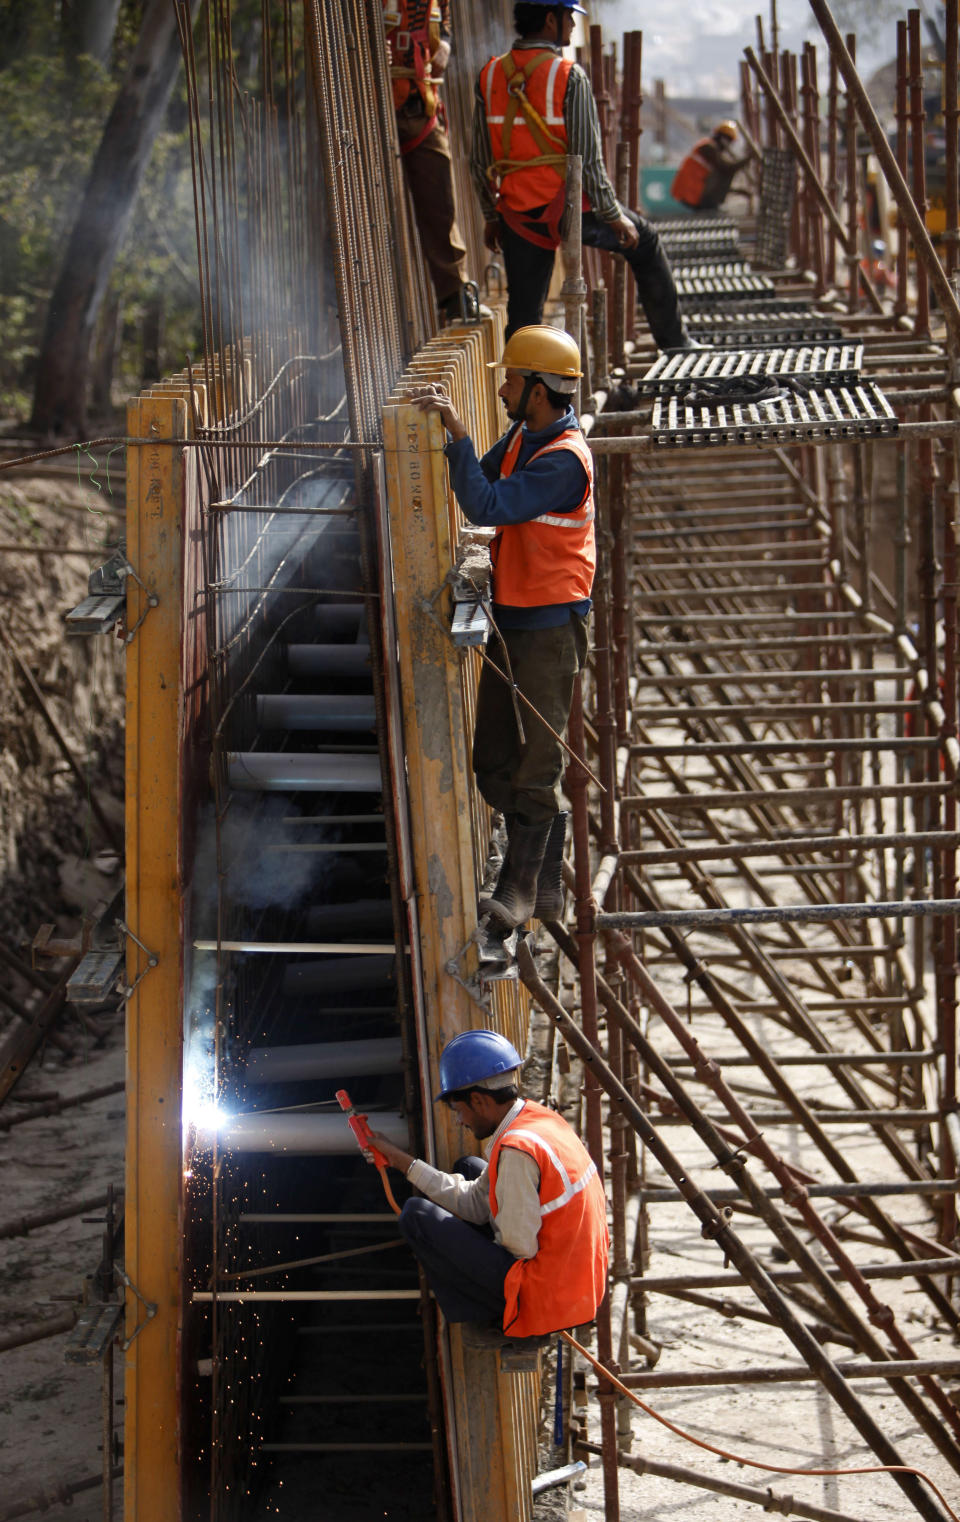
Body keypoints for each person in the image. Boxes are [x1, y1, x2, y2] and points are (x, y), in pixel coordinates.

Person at [412, 324, 593, 931]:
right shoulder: (525, 434)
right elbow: (485, 479)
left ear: (539, 390)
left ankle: (520, 890)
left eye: (511, 379)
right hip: (512, 616)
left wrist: (458, 431)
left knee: (536, 766)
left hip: (548, 628)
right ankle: (544, 880)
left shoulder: (565, 463)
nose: (502, 389)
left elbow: (487, 505)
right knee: (492, 759)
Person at [470, 0, 694, 348]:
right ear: (550, 19)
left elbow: (478, 160)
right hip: (568, 211)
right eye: (569, 17)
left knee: (524, 319)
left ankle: (520, 399)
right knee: (645, 242)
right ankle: (676, 344)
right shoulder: (567, 75)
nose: (573, 27)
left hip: (516, 215)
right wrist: (614, 216)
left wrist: (491, 215)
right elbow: (588, 161)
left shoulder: (489, 76)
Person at [365, 1029, 608, 1348]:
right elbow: (476, 1202)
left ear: (478, 1100)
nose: (461, 1122)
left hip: (549, 1297)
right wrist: (404, 1163)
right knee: (468, 1166)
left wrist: (471, 1240)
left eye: (459, 1110)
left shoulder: (517, 1152)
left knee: (416, 1216)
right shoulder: (537, 1119)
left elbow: (519, 1247)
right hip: (576, 1280)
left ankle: (496, 1319)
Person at [383, 1, 478, 322]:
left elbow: (444, 28)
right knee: (363, 206)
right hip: (370, 107)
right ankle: (337, 299)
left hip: (420, 105)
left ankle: (454, 294)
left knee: (441, 201)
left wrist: (446, 47)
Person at [671, 120, 754, 212]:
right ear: (723, 139)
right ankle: (710, 207)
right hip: (690, 193)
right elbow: (727, 169)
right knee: (725, 173)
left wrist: (736, 191)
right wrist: (748, 159)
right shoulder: (708, 148)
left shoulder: (710, 148)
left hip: (693, 191)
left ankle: (711, 207)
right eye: (729, 141)